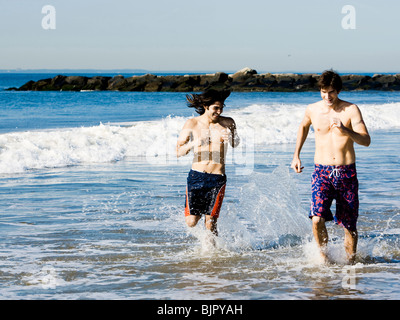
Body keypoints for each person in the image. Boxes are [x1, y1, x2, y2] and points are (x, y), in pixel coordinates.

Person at [291, 70, 371, 264]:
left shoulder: (351, 110)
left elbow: (366, 140)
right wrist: (296, 155)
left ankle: (350, 264)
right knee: (317, 219)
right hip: (321, 172)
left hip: (346, 173)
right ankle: (324, 260)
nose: (327, 96)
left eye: (332, 92)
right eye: (324, 91)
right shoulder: (313, 109)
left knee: (349, 225)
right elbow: (303, 127)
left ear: (339, 90)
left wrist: (345, 130)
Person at [176, 89, 239, 238]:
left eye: (222, 107)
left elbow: (236, 143)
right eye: (216, 108)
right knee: (191, 222)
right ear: (206, 107)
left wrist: (231, 136)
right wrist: (194, 143)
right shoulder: (192, 123)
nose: (219, 111)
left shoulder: (228, 122)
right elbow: (178, 151)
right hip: (196, 177)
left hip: (217, 178)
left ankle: (213, 254)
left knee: (210, 222)